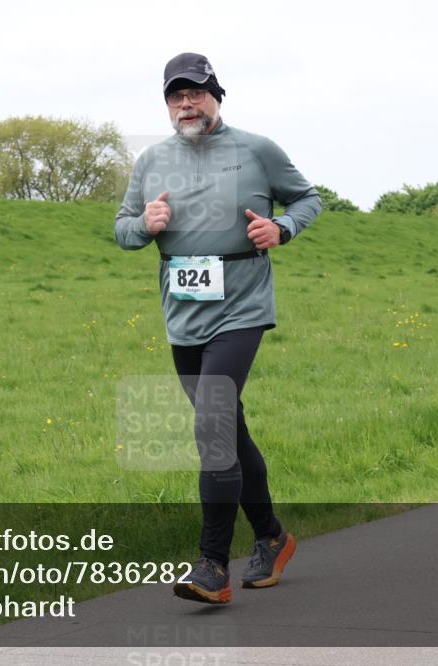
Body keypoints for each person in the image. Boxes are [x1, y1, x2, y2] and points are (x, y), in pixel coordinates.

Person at [114, 52, 324, 604]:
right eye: (175, 95)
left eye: (196, 93)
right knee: (227, 426)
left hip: (242, 304)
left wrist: (281, 227)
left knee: (211, 424)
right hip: (183, 310)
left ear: (216, 97)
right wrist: (143, 224)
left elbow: (308, 199)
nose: (186, 103)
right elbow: (122, 229)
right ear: (167, 104)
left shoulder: (256, 150)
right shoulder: (152, 160)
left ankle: (212, 565)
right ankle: (272, 537)